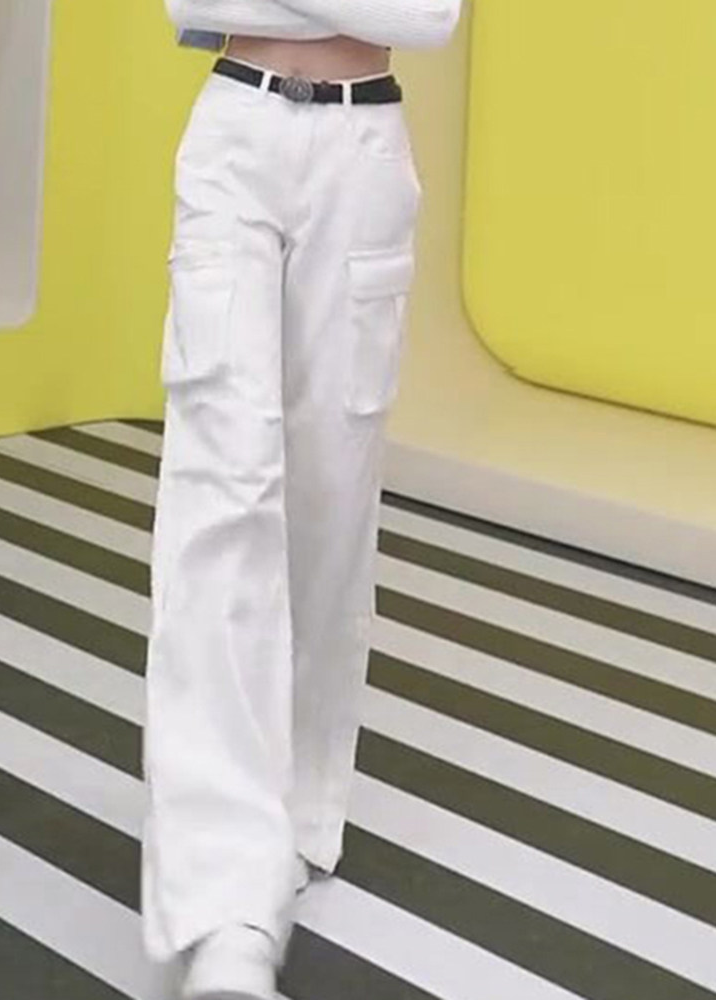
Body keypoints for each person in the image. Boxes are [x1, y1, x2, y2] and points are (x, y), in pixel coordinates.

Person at [141, 2, 465, 998]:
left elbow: (428, 15)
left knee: (328, 507)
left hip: (365, 156)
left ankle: (294, 816)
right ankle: (226, 905)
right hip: (235, 137)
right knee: (222, 503)